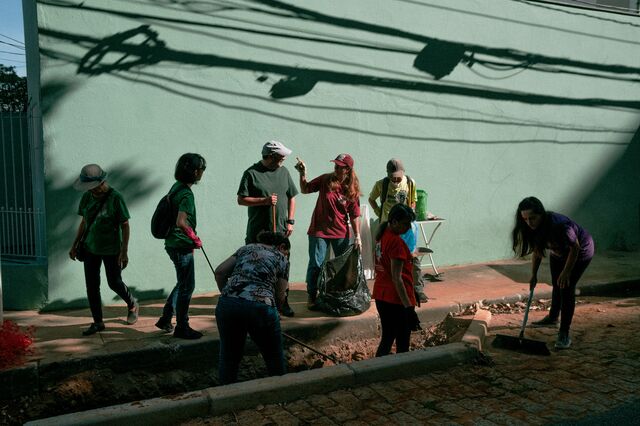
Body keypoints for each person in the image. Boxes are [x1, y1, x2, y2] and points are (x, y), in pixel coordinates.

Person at [512, 196, 595, 349]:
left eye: (533, 218)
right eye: (525, 219)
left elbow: (575, 248)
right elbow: (537, 252)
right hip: (558, 253)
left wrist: (566, 272)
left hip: (580, 251)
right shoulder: (532, 228)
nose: (529, 223)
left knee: (566, 287)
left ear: (541, 214)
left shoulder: (560, 225)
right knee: (557, 284)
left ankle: (564, 333)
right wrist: (533, 275)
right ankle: (552, 317)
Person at [69, 164, 139, 336]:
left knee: (114, 282)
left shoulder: (116, 198)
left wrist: (124, 251)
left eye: (92, 187)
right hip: (90, 248)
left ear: (101, 182)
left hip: (112, 249)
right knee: (92, 287)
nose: (90, 190)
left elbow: (125, 225)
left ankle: (132, 304)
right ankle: (98, 322)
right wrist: (74, 244)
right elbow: (84, 222)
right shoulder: (87, 197)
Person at [214, 231, 291, 385]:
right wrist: (277, 311)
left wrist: (228, 293)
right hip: (261, 308)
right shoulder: (281, 258)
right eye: (287, 252)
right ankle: (281, 393)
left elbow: (220, 272)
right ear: (282, 246)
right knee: (273, 356)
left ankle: (225, 399)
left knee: (229, 358)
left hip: (228, 304)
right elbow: (281, 295)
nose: (287, 255)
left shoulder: (246, 249)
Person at [237, 140, 298, 317]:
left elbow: (292, 196)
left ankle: (282, 302)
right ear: (271, 157)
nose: (284, 160)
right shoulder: (251, 173)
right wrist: (263, 201)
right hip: (258, 233)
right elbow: (241, 199)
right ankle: (259, 303)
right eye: (281, 157)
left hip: (280, 231)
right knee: (259, 269)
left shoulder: (284, 172)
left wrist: (290, 221)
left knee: (283, 269)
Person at [295, 153, 362, 309]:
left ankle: (337, 294)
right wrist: (302, 174)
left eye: (340, 167)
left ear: (348, 169)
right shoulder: (326, 179)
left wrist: (358, 236)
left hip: (341, 233)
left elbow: (354, 215)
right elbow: (305, 189)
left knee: (341, 266)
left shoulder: (352, 190)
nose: (336, 168)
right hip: (319, 231)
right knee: (316, 264)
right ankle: (312, 295)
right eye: (335, 165)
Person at [155, 153, 207, 339]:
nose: (202, 173)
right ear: (195, 172)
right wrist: (194, 238)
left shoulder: (176, 187)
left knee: (182, 282)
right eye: (201, 169)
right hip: (180, 244)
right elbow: (181, 221)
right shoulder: (186, 194)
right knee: (188, 286)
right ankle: (182, 327)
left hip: (172, 242)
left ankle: (166, 318)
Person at [368, 158, 427, 302]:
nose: (395, 180)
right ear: (387, 173)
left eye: (398, 177)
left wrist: (409, 215)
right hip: (388, 228)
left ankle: (417, 290)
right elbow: (371, 199)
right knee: (386, 261)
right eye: (392, 177)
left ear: (403, 173)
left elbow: (412, 201)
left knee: (412, 257)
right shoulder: (381, 184)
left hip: (405, 228)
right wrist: (378, 212)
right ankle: (389, 290)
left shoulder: (410, 183)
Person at [372, 203, 420, 357]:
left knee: (387, 337)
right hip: (395, 299)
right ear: (394, 221)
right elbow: (397, 278)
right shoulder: (396, 243)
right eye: (405, 224)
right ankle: (401, 372)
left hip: (381, 295)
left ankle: (377, 369)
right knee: (402, 339)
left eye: (409, 224)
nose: (408, 228)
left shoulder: (383, 235)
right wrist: (408, 308)